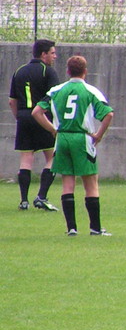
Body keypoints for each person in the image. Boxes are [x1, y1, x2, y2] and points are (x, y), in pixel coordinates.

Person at [31, 55, 114, 236]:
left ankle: (72, 228)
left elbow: (37, 111)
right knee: (91, 184)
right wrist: (98, 135)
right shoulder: (90, 91)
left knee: (68, 184)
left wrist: (53, 129)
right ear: (85, 71)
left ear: (68, 71)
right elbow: (108, 114)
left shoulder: (56, 90)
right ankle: (95, 228)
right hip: (82, 138)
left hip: (62, 139)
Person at [9, 39, 60, 211]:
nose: (55, 56)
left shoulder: (19, 71)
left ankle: (24, 201)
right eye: (52, 53)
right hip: (42, 117)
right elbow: (54, 98)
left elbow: (12, 101)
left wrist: (20, 118)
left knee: (26, 159)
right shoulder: (48, 72)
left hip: (23, 117)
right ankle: (42, 197)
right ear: (43, 54)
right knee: (53, 157)